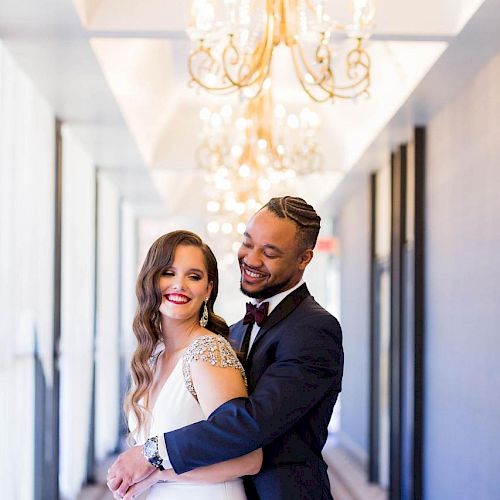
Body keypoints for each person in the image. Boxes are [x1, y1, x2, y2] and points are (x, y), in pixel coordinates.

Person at [108, 196, 344, 500]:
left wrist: (150, 456)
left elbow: (248, 424)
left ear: (304, 259)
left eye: (269, 252)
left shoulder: (314, 329)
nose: (252, 259)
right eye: (248, 243)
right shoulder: (236, 330)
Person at [109, 230, 262, 499]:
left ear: (208, 289)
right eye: (168, 272)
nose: (179, 284)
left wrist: (156, 471)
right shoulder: (153, 354)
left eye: (194, 276)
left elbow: (249, 458)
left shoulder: (207, 353)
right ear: (151, 280)